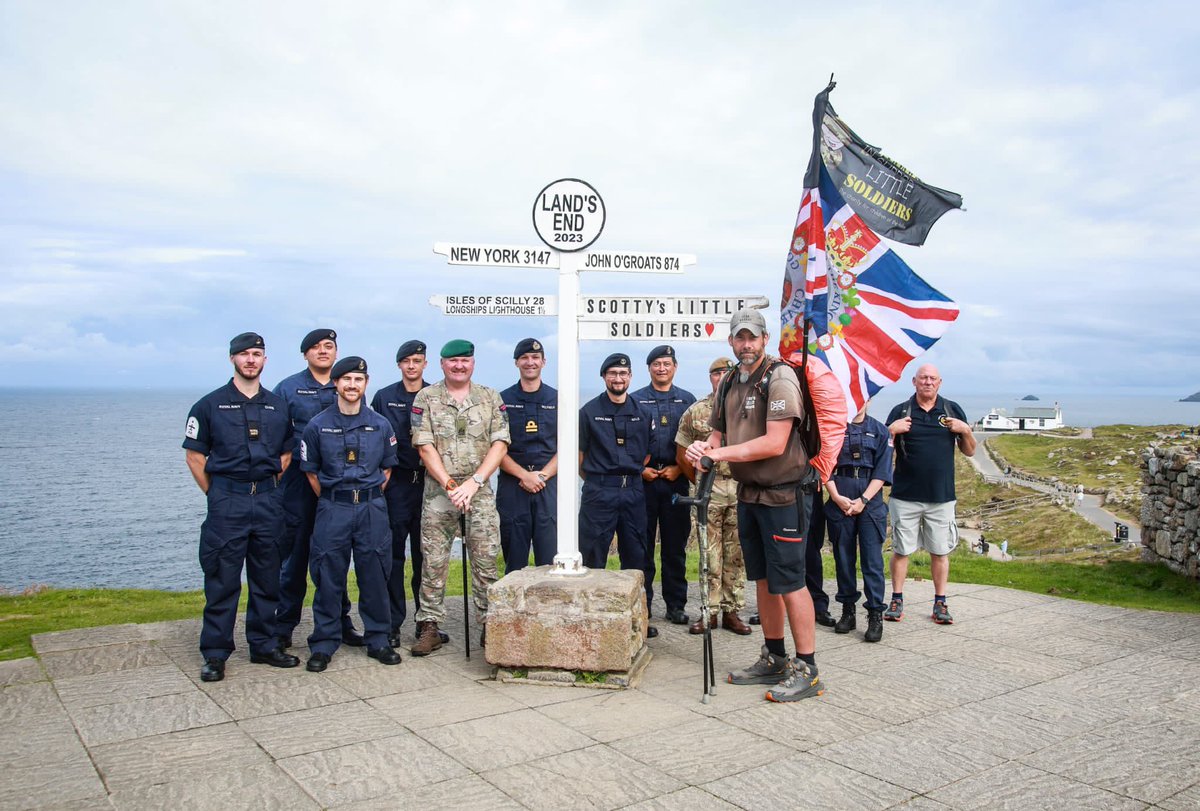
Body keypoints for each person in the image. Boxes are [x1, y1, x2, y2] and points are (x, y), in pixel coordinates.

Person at [685, 309, 823, 702]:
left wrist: (720, 452)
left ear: (765, 340)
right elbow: (716, 435)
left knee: (791, 582)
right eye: (739, 338)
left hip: (785, 494)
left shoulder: (779, 378)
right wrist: (703, 449)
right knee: (763, 579)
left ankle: (808, 669)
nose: (746, 345)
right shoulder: (729, 380)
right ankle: (775, 657)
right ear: (731, 342)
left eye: (753, 337)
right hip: (750, 494)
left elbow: (774, 443)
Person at [183, 332, 299, 682]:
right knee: (222, 580)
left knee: (267, 578)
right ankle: (215, 653)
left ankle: (264, 645)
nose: (251, 360)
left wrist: (266, 489)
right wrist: (218, 495)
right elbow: (194, 456)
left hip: (267, 500)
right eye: (245, 354)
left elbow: (286, 453)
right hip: (227, 502)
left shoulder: (278, 406)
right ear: (232, 358)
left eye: (257, 354)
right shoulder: (209, 405)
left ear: (265, 360)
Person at [299, 356, 402, 672]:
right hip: (334, 508)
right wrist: (338, 499)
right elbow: (311, 473)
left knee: (374, 574)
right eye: (346, 380)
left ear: (366, 383)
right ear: (336, 383)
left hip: (372, 508)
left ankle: (378, 640)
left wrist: (365, 497)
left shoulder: (381, 425)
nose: (352, 385)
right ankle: (324, 643)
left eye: (358, 380)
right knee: (329, 576)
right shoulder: (317, 426)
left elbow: (386, 469)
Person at [409, 340, 510, 656]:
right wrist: (452, 484)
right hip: (440, 493)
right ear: (442, 364)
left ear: (473, 364)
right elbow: (424, 446)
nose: (459, 366)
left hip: (478, 493)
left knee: (486, 559)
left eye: (464, 360)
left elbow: (500, 444)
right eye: (452, 361)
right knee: (434, 560)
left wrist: (475, 482)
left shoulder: (490, 397)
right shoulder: (426, 398)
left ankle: (488, 625)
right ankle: (429, 627)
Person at [274, 329, 362, 649]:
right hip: (298, 484)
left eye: (329, 346)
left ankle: (340, 622)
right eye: (315, 347)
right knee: (294, 560)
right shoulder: (288, 389)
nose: (323, 351)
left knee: (333, 558)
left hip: (338, 484)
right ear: (305, 354)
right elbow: (277, 438)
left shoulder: (347, 385)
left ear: (336, 353)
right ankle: (283, 625)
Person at [884, 363, 976, 625]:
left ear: (939, 383)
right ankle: (896, 599)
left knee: (940, 551)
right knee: (901, 550)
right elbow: (883, 452)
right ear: (914, 382)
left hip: (941, 497)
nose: (927, 382)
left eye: (932, 378)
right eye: (923, 378)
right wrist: (891, 430)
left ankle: (940, 602)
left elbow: (969, 451)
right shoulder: (901, 411)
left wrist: (965, 430)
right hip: (904, 495)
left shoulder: (951, 410)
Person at [579, 353, 658, 638]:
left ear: (630, 377)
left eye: (623, 374)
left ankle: (638, 617)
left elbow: (647, 453)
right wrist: (602, 481)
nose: (618, 378)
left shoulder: (642, 412)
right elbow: (580, 457)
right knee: (592, 553)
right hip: (599, 491)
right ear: (604, 377)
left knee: (637, 554)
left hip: (634, 490)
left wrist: (628, 477)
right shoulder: (588, 412)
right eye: (612, 373)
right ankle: (591, 616)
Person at [675, 357, 751, 636]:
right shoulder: (697, 411)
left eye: (727, 373)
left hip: (741, 486)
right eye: (717, 373)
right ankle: (709, 611)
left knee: (737, 552)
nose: (722, 377)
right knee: (709, 552)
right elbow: (682, 453)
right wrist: (697, 479)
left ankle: (732, 611)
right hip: (710, 487)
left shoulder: (747, 408)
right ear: (710, 378)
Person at [370, 340, 435, 649]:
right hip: (395, 486)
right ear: (399, 365)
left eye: (418, 360)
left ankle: (426, 624)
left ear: (425, 364)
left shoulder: (436, 395)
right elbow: (374, 439)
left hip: (429, 484)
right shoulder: (384, 397)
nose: (412, 365)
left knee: (426, 558)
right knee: (393, 558)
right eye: (407, 360)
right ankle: (392, 623)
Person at [632, 346, 696, 625]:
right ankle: (642, 605)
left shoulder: (687, 401)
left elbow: (693, 444)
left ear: (675, 367)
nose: (661, 368)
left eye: (666, 363)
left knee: (674, 548)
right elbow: (628, 443)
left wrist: (679, 468)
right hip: (643, 484)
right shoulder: (635, 401)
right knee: (642, 548)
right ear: (649, 368)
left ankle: (676, 605)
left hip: (675, 483)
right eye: (656, 363)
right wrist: (639, 470)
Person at [824, 401, 892, 642]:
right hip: (839, 495)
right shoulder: (832, 429)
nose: (859, 402)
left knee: (872, 561)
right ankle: (847, 611)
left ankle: (875, 614)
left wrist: (863, 500)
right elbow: (825, 466)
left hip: (870, 501)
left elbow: (882, 472)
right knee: (843, 558)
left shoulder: (881, 431)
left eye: (864, 397)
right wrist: (835, 496)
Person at [498, 338, 558, 571]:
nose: (530, 362)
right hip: (514, 485)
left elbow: (568, 445)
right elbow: (496, 446)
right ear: (516, 363)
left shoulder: (558, 399)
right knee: (514, 559)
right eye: (524, 358)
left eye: (535, 358)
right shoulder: (501, 400)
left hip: (548, 485)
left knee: (551, 561)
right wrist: (524, 475)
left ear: (544, 362)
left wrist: (542, 476)